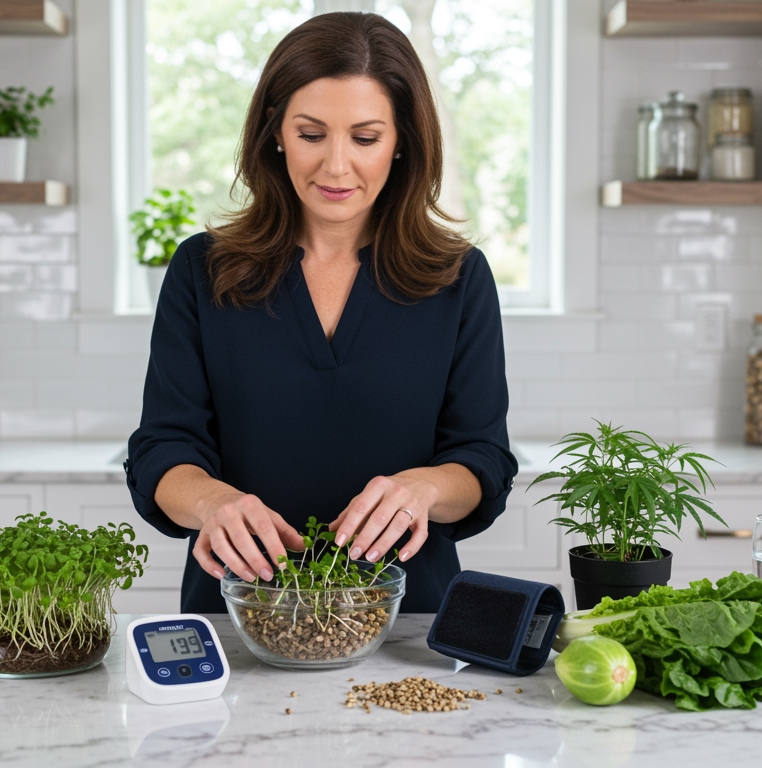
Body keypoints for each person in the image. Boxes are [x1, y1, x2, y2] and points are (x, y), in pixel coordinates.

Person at [125, 11, 517, 614]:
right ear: (276, 133)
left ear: (402, 142)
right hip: (238, 618)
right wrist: (209, 502)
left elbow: (482, 457)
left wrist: (425, 487)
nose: (336, 166)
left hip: (410, 631)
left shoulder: (458, 277)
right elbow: (162, 447)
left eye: (365, 138)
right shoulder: (203, 270)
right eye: (312, 135)